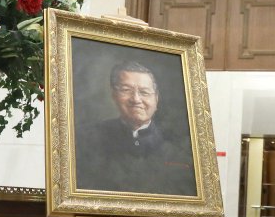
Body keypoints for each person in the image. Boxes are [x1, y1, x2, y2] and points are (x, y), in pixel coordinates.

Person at [75, 61, 196, 196]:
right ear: (114, 95)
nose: (136, 99)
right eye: (126, 90)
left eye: (144, 92)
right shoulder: (86, 139)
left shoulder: (182, 145)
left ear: (156, 99)